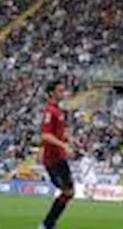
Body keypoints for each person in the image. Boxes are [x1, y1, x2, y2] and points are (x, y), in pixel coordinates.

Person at [39, 82, 76, 229]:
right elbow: (45, 135)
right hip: (52, 159)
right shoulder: (50, 111)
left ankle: (49, 224)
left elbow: (58, 133)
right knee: (67, 191)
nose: (63, 93)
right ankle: (47, 225)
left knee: (69, 192)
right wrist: (63, 145)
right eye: (60, 90)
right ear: (51, 93)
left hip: (60, 158)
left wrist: (69, 140)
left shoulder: (59, 111)